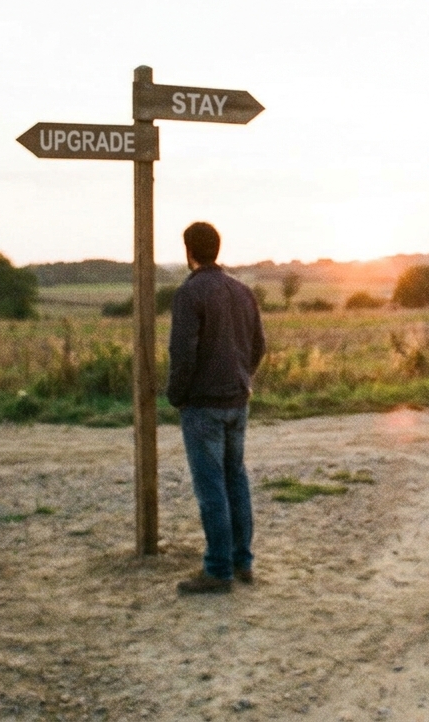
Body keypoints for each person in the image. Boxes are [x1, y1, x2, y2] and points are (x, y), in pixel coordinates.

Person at [168, 221, 266, 595]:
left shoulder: (190, 294)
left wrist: (177, 394)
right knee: (235, 480)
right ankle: (242, 562)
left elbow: (183, 353)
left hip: (203, 405)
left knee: (211, 488)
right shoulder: (243, 292)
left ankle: (218, 570)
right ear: (218, 248)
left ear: (188, 250)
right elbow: (259, 346)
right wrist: (243, 377)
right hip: (237, 400)